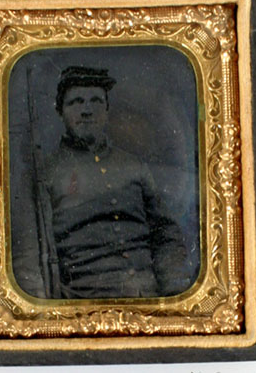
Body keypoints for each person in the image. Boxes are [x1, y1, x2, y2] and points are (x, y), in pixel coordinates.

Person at [41, 66, 189, 299]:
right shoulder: (48, 171)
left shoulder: (133, 165)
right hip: (84, 301)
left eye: (96, 101)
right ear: (60, 111)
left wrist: (173, 290)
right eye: (76, 102)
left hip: (147, 295)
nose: (87, 110)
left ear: (107, 110)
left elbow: (166, 233)